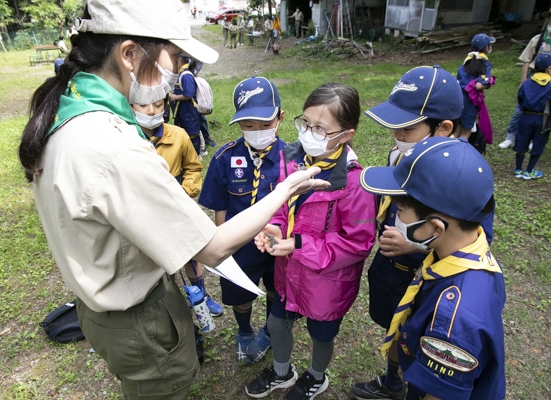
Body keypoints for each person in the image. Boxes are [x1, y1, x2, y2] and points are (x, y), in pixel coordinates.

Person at [17, 0, 328, 398]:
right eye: (177, 57)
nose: (179, 73)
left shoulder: (70, 111)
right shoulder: (111, 146)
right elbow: (212, 249)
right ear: (129, 54)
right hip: (136, 319)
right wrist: (287, 189)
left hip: (106, 308)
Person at [351, 65, 495, 400]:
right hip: (391, 271)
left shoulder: (465, 180)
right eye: (394, 128)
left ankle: (409, 382)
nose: (397, 137)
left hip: (426, 282)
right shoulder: (401, 153)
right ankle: (392, 381)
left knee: (420, 343)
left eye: (406, 128)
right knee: (395, 330)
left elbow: (469, 244)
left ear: (443, 127)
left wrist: (412, 248)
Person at [245, 83, 376, 400]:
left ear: (345, 135)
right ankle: (281, 371)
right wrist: (275, 228)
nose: (308, 132)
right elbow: (280, 206)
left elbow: (357, 243)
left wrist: (300, 245)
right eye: (305, 123)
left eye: (320, 128)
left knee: (321, 334)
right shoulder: (292, 159)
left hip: (326, 286)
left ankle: (316, 376)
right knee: (277, 325)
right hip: (287, 274)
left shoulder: (355, 183)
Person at [199, 76, 287, 365]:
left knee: (277, 289)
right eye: (249, 126)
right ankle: (245, 330)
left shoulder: (294, 158)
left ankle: (269, 331)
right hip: (240, 247)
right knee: (240, 294)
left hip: (278, 245)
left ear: (280, 118)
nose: (257, 131)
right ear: (238, 124)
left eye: (265, 124)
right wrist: (225, 247)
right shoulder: (225, 158)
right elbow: (220, 211)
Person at [131, 95, 223, 315]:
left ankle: (201, 295)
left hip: (176, 207)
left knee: (190, 254)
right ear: (130, 106)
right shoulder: (126, 139)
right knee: (152, 258)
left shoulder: (179, 135)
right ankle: (162, 303)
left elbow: (193, 168)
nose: (151, 110)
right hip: (142, 210)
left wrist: (184, 192)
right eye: (143, 104)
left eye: (158, 104)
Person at [498, 1, 551, 149]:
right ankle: (510, 136)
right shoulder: (538, 39)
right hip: (533, 77)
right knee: (521, 108)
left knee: (545, 111)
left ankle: (533, 139)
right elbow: (526, 60)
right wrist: (523, 80)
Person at [513, 52, 551, 180]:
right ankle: (529, 171)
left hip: (526, 117)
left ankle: (518, 169)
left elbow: (520, 99)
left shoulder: (527, 83)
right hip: (543, 119)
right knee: (538, 143)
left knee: (522, 141)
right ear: (549, 68)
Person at [455, 33, 495, 140]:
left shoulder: (467, 60)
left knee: (456, 129)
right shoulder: (484, 63)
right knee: (466, 133)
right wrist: (489, 82)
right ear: (486, 48)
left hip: (458, 97)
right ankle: (459, 154)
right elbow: (478, 85)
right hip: (470, 100)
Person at [170, 54, 202, 156]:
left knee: (192, 134)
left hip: (189, 111)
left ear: (179, 60)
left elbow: (189, 94)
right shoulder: (180, 73)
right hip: (182, 111)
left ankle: (196, 156)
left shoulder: (186, 75)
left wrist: (174, 97)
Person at [189, 58, 216, 148]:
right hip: (177, 87)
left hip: (192, 81)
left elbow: (199, 61)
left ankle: (206, 137)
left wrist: (193, 73)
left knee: (199, 113)